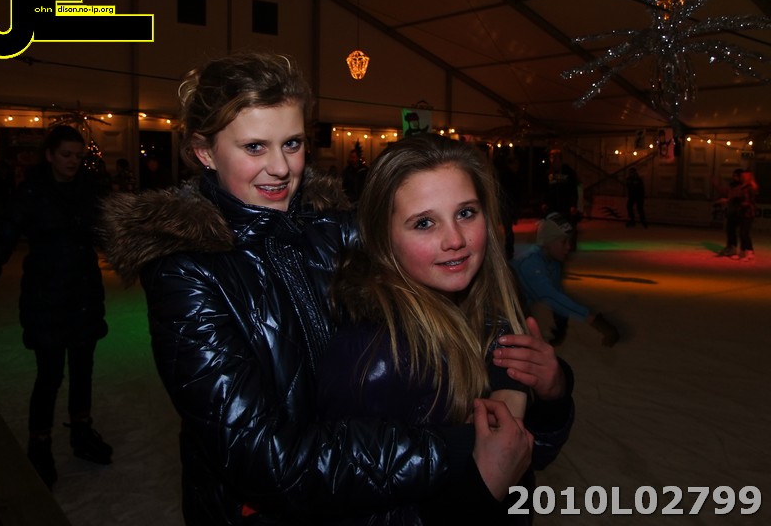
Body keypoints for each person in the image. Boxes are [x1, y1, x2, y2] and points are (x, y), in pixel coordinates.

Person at [98, 51, 533, 526]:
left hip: (357, 501)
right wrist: (455, 448)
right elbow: (263, 458)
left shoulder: (329, 224)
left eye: (292, 143)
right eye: (254, 147)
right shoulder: (186, 275)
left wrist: (510, 385)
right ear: (205, 153)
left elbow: (468, 269)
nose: (280, 167)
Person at [318, 134, 574, 524]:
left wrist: (552, 397)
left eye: (466, 213)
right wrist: (478, 490)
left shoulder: (491, 311)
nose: (455, 240)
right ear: (383, 237)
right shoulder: (371, 360)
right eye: (424, 223)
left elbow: (526, 457)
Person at [0, 125, 112, 490]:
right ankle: (40, 444)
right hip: (45, 298)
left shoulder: (89, 191)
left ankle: (81, 430)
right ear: (49, 155)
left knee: (82, 370)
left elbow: (112, 235)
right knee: (49, 375)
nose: (73, 162)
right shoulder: (30, 194)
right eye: (66, 155)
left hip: (83, 296)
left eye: (78, 156)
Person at [512, 212, 620, 347]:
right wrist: (595, 321)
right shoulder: (529, 264)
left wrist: (561, 323)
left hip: (516, 307)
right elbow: (551, 296)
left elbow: (557, 293)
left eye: (569, 241)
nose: (568, 247)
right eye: (563, 242)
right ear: (547, 243)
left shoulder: (553, 262)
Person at [542, 148, 580, 249]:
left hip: (565, 204)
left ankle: (569, 245)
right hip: (552, 205)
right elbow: (545, 189)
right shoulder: (549, 173)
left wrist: (573, 205)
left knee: (567, 226)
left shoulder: (569, 172)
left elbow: (573, 189)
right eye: (551, 157)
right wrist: (544, 202)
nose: (553, 160)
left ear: (560, 159)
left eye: (555, 158)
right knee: (553, 225)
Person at [714, 168, 744, 258]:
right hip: (731, 211)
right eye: (733, 175)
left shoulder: (742, 187)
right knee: (729, 230)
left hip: (738, 212)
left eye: (736, 176)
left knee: (733, 231)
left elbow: (738, 198)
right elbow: (724, 190)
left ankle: (734, 248)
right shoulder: (732, 185)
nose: (734, 177)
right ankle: (730, 246)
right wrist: (717, 185)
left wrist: (727, 200)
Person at [736, 170, 758, 261]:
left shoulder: (750, 187)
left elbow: (749, 201)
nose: (742, 178)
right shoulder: (743, 187)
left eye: (744, 176)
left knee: (745, 233)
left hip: (748, 213)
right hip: (743, 212)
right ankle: (742, 252)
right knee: (741, 233)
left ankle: (750, 252)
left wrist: (741, 204)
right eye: (742, 176)